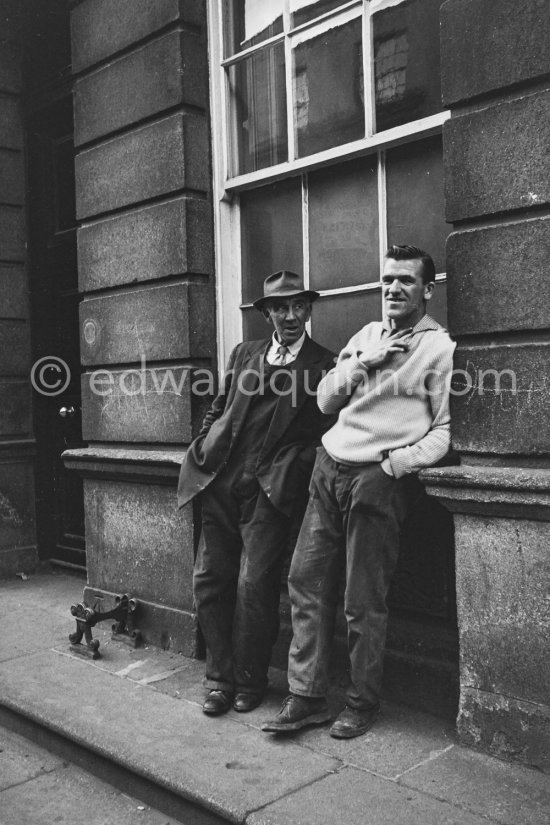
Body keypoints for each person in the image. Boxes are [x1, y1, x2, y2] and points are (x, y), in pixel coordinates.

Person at [262, 245, 456, 739]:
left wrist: (396, 465)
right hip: (328, 468)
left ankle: (361, 702)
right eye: (387, 280)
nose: (393, 289)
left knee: (363, 599)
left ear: (427, 290)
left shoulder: (440, 350)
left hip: (377, 480)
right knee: (305, 582)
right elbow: (326, 398)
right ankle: (306, 697)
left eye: (406, 282)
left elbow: (444, 431)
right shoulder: (368, 335)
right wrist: (363, 362)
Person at [177, 270, 335, 716]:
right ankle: (218, 680)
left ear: (308, 309)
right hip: (220, 484)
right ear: (266, 313)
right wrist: (204, 444)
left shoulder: (325, 363)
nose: (290, 316)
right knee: (209, 580)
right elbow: (220, 406)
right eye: (280, 308)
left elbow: (325, 434)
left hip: (268, 493)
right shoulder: (244, 353)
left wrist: (291, 467)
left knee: (254, 585)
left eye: (298, 306)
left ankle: (250, 680)